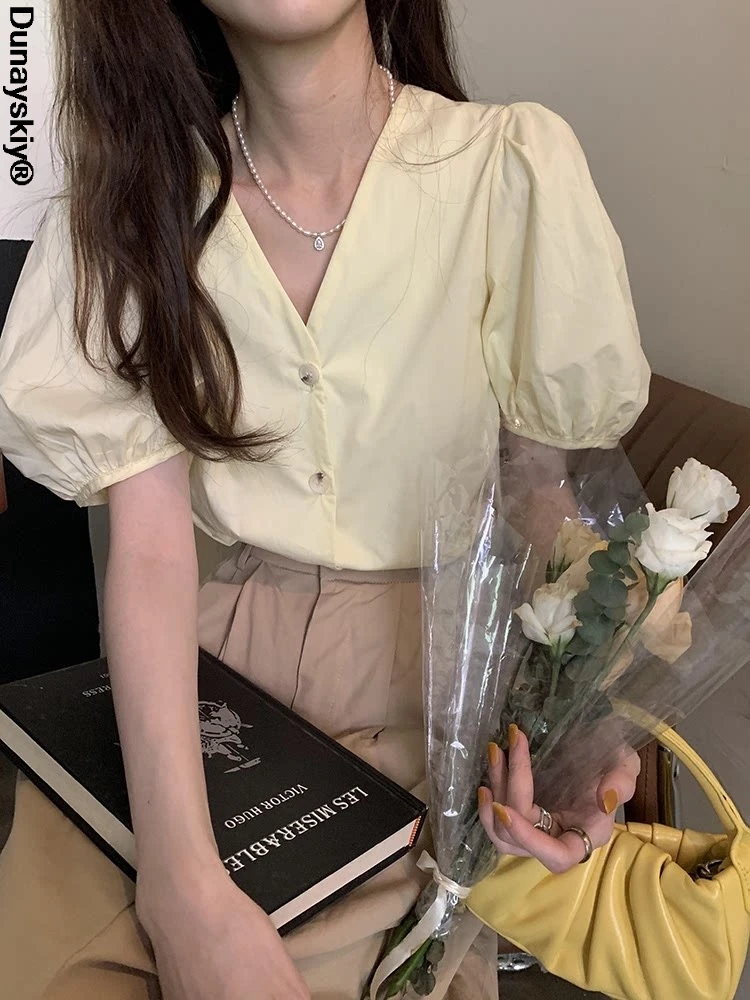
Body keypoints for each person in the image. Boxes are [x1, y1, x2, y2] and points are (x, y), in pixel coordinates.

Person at [0, 1, 650, 997]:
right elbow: (151, 547)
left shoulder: (507, 166)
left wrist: (584, 712)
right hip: (202, 687)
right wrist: (181, 883)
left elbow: (539, 500)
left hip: (437, 687)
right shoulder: (136, 207)